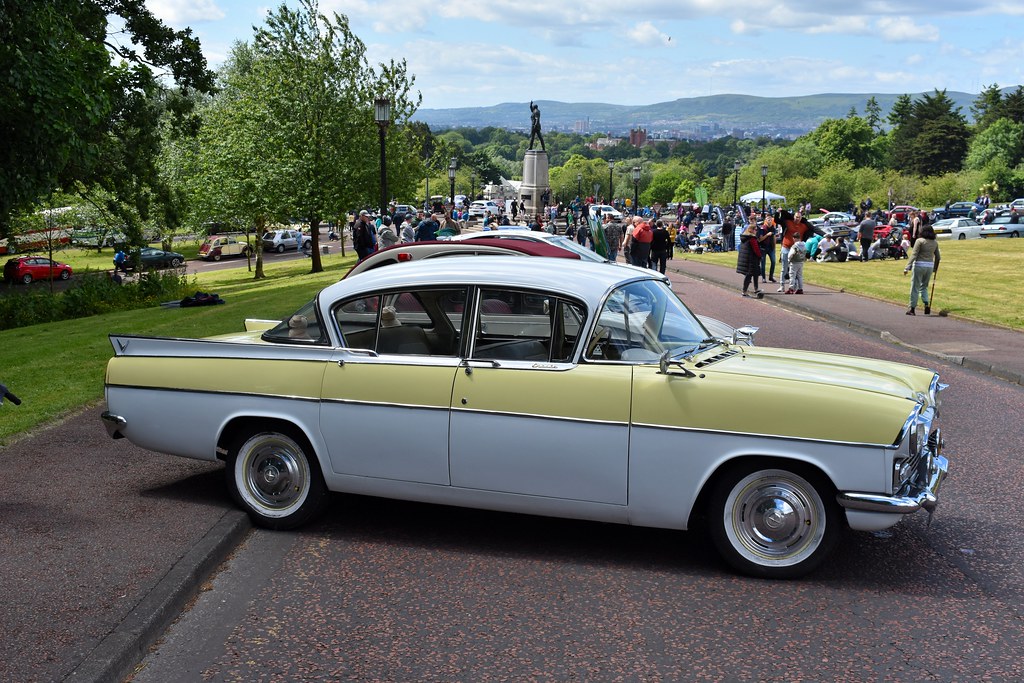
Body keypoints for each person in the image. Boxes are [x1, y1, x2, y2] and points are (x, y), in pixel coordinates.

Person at [903, 224, 941, 315]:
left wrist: (907, 267)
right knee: (924, 287)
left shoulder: (919, 241)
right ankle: (926, 304)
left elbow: (914, 254)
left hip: (919, 265)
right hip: (929, 266)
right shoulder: (934, 243)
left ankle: (912, 308)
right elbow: (938, 257)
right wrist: (935, 268)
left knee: (915, 287)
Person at [736, 224, 764, 298]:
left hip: (747, 259)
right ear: (750, 230)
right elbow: (756, 249)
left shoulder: (744, 237)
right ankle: (744, 291)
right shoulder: (752, 238)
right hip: (751, 259)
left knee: (755, 274)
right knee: (749, 275)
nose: (756, 231)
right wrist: (760, 256)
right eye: (755, 229)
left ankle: (756, 289)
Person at [758, 215, 777, 283]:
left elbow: (774, 238)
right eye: (768, 219)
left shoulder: (773, 228)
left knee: (773, 262)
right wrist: (767, 235)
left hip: (771, 248)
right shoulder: (762, 228)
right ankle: (763, 277)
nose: (769, 221)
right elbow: (760, 239)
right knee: (763, 263)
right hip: (763, 248)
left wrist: (774, 248)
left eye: (771, 220)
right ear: (765, 221)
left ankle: (771, 276)